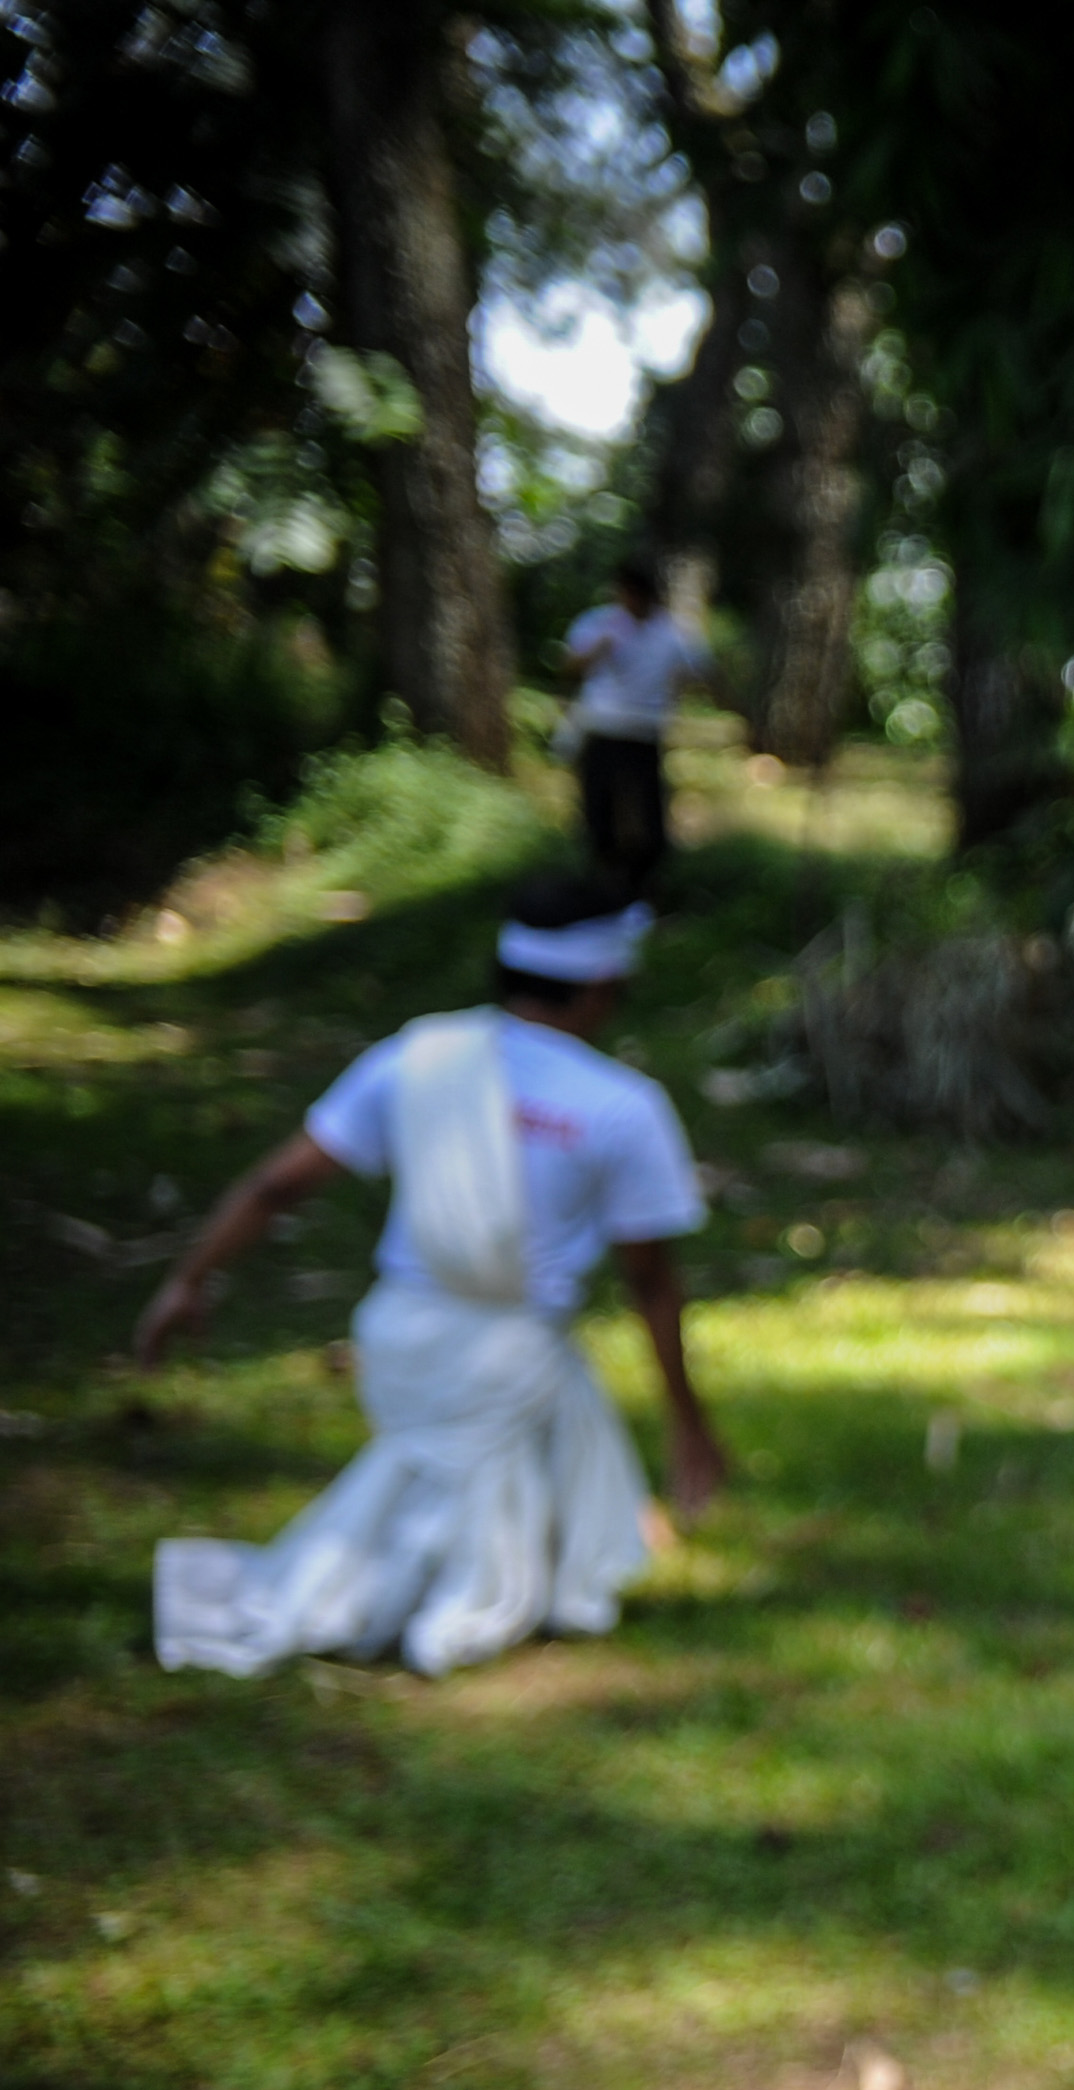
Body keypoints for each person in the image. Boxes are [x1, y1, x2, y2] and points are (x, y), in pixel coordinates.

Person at [135, 877, 725, 1679]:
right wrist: (686, 1418)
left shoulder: (418, 1059)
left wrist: (188, 1279)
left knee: (554, 1410)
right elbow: (650, 1280)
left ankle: (471, 1569)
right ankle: (408, 1596)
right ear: (603, 985)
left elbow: (278, 1185)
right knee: (502, 1476)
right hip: (502, 1353)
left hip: (400, 1334)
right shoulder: (622, 1106)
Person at [562, 556, 718, 899]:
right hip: (601, 729)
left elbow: (705, 673)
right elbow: (570, 666)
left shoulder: (674, 632)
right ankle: (603, 878)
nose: (632, 601)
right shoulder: (600, 623)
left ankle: (645, 883)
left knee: (649, 811)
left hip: (644, 734)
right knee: (599, 808)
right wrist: (598, 650)